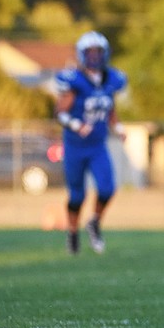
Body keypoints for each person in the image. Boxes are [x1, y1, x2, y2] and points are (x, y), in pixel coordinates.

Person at [55, 30, 127, 255]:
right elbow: (60, 113)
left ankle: (94, 222)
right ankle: (73, 233)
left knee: (107, 188)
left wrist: (118, 127)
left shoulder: (111, 80)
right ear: (81, 55)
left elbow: (109, 107)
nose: (95, 57)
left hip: (97, 145)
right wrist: (76, 125)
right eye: (90, 52)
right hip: (76, 146)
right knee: (77, 195)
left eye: (99, 52)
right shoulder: (74, 81)